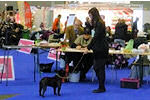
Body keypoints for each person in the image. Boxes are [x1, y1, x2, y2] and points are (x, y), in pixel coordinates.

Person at [84, 7, 109, 93]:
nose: (90, 17)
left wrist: (88, 47)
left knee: (99, 68)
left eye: (90, 15)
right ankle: (101, 86)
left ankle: (102, 87)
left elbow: (96, 37)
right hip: (98, 48)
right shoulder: (97, 23)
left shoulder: (100, 24)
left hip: (101, 48)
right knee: (97, 67)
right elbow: (89, 31)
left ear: (94, 15)